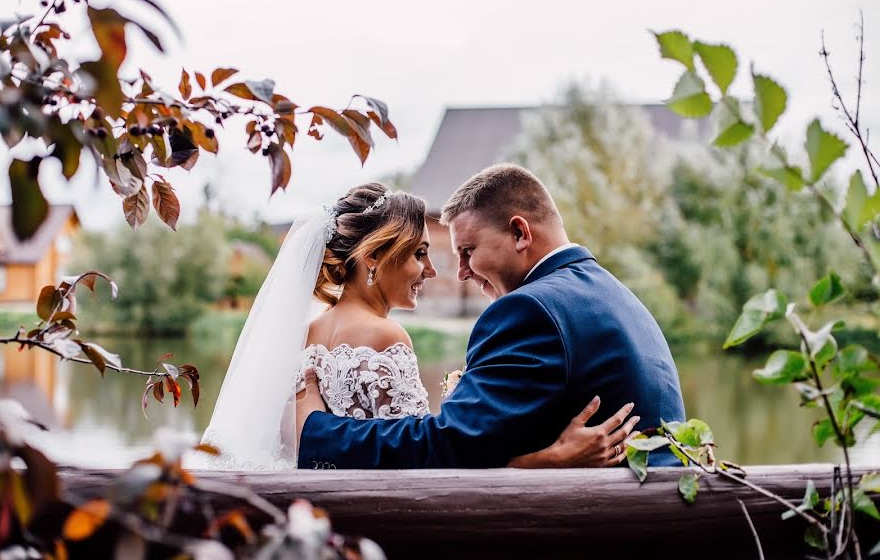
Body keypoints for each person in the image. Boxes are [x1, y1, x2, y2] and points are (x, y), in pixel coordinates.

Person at [200, 182, 635, 470]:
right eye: (419, 254)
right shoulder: (387, 336)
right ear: (373, 258)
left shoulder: (304, 335)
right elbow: (431, 462)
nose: (434, 271)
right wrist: (551, 458)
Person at [296, 165, 686, 469]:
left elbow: (450, 444)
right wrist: (544, 460)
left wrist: (317, 432)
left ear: (520, 233)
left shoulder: (530, 309)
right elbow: (487, 438)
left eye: (467, 251)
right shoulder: (611, 292)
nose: (460, 271)